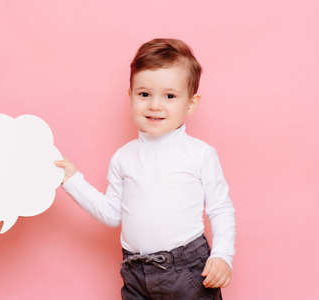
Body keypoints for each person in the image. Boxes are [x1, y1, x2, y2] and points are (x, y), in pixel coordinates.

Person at [54, 38, 235, 300]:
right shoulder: (123, 158)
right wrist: (72, 180)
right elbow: (112, 214)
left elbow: (220, 209)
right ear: (131, 96)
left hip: (188, 270)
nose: (155, 105)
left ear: (191, 103)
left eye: (170, 96)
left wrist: (222, 255)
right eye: (144, 94)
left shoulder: (199, 154)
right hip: (136, 272)